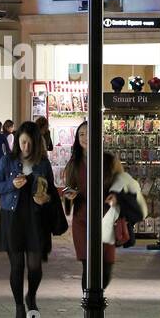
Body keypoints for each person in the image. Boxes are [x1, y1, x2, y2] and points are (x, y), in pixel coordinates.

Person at [63, 122, 143, 291]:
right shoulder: (73, 164)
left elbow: (123, 182)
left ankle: (97, 298)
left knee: (105, 267)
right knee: (88, 265)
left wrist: (116, 195)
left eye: (88, 133)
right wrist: (70, 195)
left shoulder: (109, 160)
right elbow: (69, 188)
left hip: (106, 219)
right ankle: (89, 306)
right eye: (81, 135)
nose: (84, 138)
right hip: (83, 219)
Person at [0, 121, 59, 318]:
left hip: (36, 217)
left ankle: (31, 295)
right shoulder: (7, 161)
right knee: (17, 266)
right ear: (17, 141)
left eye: (30, 143)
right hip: (12, 217)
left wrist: (45, 198)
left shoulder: (43, 164)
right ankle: (19, 306)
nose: (26, 147)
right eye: (23, 143)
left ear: (37, 143)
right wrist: (11, 185)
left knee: (35, 266)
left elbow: (50, 190)